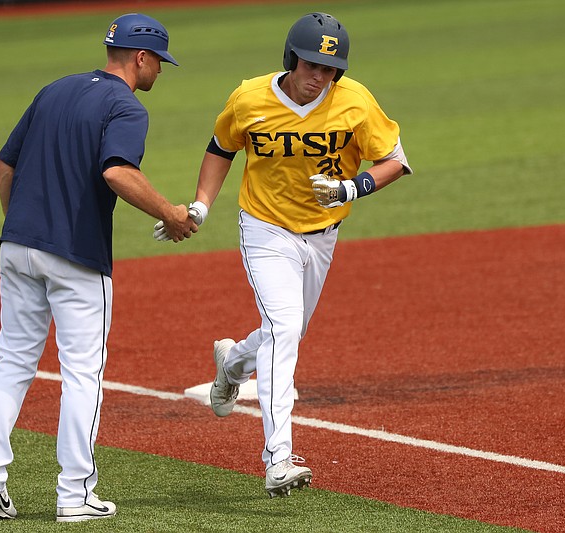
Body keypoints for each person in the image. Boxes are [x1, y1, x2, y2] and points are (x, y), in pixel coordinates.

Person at [155, 12, 412, 497]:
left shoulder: (354, 101)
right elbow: (220, 147)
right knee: (285, 328)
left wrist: (349, 189)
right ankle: (277, 458)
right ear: (292, 59)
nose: (319, 77)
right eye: (311, 64)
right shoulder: (250, 96)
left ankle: (231, 363)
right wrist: (202, 206)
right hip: (265, 228)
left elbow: (396, 161)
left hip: (323, 233)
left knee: (286, 329)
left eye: (329, 69)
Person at [0, 13, 197, 522]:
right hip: (74, 257)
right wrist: (171, 215)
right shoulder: (126, 106)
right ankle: (75, 494)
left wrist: (24, 225)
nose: (160, 69)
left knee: (12, 364)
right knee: (82, 374)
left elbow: (7, 163)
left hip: (18, 246)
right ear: (141, 57)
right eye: (159, 60)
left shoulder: (55, 89)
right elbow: (117, 171)